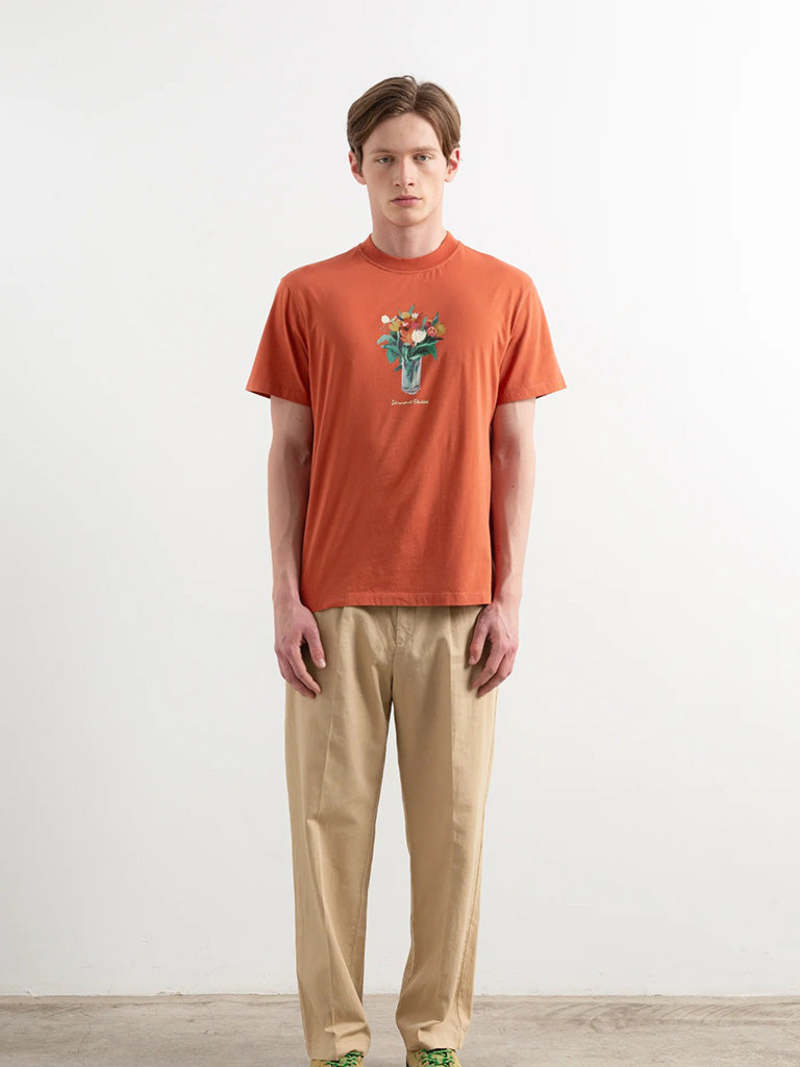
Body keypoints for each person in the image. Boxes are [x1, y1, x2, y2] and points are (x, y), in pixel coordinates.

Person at [245, 74, 567, 1067]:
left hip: (458, 605)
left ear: (452, 163)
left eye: (422, 155)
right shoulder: (307, 294)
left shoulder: (504, 292)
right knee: (326, 832)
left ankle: (433, 1035)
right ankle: (337, 1041)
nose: (404, 175)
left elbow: (513, 451)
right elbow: (288, 451)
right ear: (355, 167)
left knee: (452, 834)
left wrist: (508, 596)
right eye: (383, 157)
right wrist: (285, 594)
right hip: (334, 604)